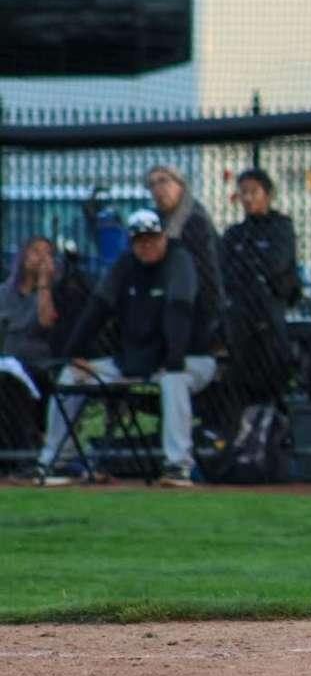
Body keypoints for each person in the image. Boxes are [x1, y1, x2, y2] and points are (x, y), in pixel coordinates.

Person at [33, 209, 217, 488]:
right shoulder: (125, 266)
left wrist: (174, 357)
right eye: (140, 241)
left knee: (173, 380)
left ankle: (177, 467)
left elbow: (178, 313)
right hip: (137, 362)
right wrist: (73, 354)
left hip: (190, 359)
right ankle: (59, 462)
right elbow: (97, 310)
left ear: (163, 237)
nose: (147, 246)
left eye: (153, 239)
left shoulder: (179, 262)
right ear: (131, 243)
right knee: (72, 374)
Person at [221, 168, 300, 404]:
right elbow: (226, 268)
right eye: (243, 192)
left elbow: (275, 264)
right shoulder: (235, 234)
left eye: (253, 192)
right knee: (240, 377)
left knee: (272, 372)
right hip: (240, 315)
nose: (247, 198)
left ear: (268, 194)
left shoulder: (281, 227)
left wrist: (251, 265)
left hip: (269, 313)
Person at [147, 165, 224, 348]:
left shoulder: (195, 219)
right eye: (152, 184)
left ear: (180, 185)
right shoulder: (156, 220)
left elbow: (208, 275)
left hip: (194, 312)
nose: (157, 189)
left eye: (163, 181)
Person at [0, 236, 60, 450]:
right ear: (23, 256)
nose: (41, 257)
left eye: (48, 253)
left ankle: (25, 448)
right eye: (36, 251)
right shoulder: (5, 292)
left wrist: (44, 284)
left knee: (12, 385)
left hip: (39, 367)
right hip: (8, 363)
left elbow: (46, 323)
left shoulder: (55, 292)